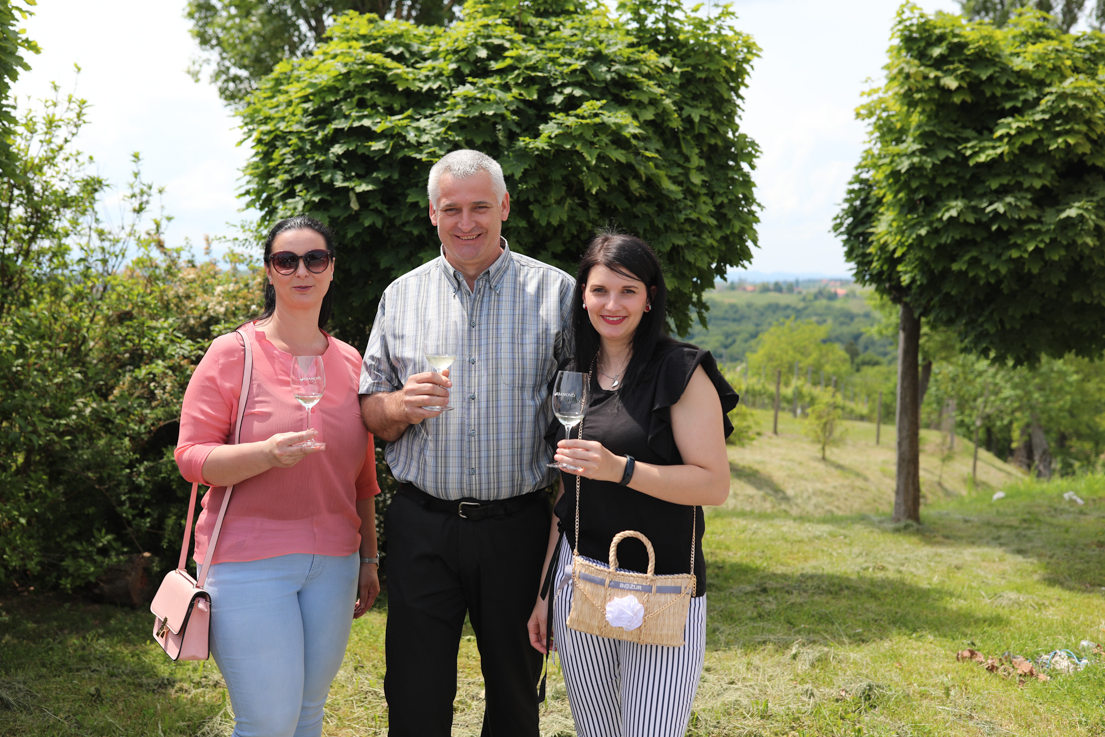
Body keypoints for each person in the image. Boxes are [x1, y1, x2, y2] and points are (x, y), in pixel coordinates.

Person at [359, 149, 575, 736]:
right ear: (432, 213)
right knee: (413, 690)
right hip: (422, 525)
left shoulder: (557, 294)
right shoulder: (401, 296)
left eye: (480, 206)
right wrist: (400, 405)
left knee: (514, 692)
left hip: (519, 527)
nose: (466, 222)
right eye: (451, 208)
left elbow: (582, 414)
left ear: (504, 206)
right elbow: (370, 412)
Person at [175, 215, 381, 737]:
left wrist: (369, 557)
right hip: (248, 563)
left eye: (315, 259)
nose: (301, 271)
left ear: (331, 270)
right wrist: (264, 454)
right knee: (268, 721)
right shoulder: (233, 353)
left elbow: (363, 478)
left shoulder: (352, 362)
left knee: (308, 714)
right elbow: (191, 457)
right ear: (270, 272)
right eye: (285, 261)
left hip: (334, 565)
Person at [526, 232, 736, 737]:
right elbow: (566, 493)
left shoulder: (680, 371)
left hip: (663, 587)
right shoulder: (573, 374)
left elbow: (713, 484)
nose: (612, 304)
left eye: (627, 290)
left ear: (650, 297)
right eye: (600, 290)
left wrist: (622, 468)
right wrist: (543, 594)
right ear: (583, 296)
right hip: (582, 581)